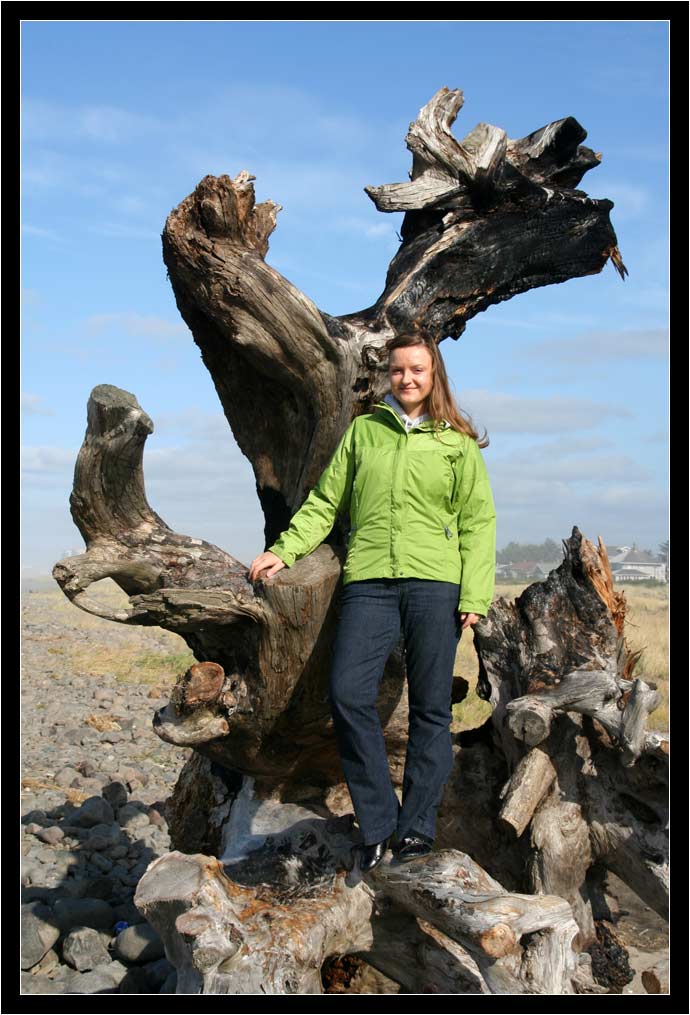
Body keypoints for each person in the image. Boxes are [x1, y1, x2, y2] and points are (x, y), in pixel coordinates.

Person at [247, 327, 496, 871]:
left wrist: (475, 592)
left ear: (434, 377)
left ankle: (416, 831)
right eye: (399, 370)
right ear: (389, 374)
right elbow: (324, 502)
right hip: (371, 584)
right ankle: (380, 823)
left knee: (432, 710)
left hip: (436, 585)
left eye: (418, 370)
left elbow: (478, 523)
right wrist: (283, 551)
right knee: (348, 695)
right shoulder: (364, 433)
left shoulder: (456, 445)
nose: (407, 379)